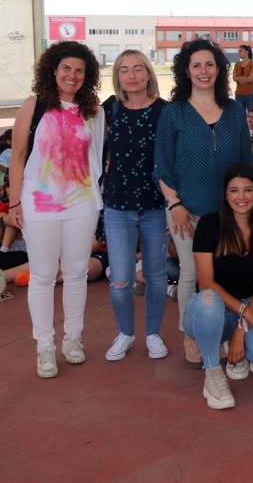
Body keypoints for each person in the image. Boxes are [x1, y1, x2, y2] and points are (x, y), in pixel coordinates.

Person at [8, 41, 105, 378]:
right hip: (39, 204)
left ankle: (72, 340)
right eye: (66, 68)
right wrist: (16, 201)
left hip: (81, 204)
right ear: (53, 70)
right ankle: (45, 347)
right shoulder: (34, 105)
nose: (72, 75)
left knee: (77, 274)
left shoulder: (93, 110)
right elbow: (17, 156)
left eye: (79, 70)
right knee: (43, 277)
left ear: (87, 75)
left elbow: (97, 159)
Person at [154, 39, 253, 368]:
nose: (203, 71)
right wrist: (174, 204)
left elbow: (244, 163)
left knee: (222, 276)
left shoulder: (235, 112)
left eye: (209, 64)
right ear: (186, 71)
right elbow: (162, 166)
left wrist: (243, 207)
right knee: (188, 275)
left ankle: (220, 333)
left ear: (219, 69)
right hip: (186, 211)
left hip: (227, 213)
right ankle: (191, 335)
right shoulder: (174, 113)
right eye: (196, 65)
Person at [186, 163, 253, 409]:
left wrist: (242, 328)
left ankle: (234, 343)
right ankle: (212, 373)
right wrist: (247, 315)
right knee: (209, 299)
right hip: (209, 309)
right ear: (225, 194)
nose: (241, 197)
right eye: (234, 190)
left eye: (248, 190)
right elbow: (206, 282)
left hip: (246, 305)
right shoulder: (209, 225)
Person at [102, 50, 170, 361]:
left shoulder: (165, 111)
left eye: (138, 69)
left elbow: (173, 158)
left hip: (156, 206)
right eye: (124, 70)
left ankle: (152, 333)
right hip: (117, 206)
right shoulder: (108, 110)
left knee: (155, 275)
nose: (132, 75)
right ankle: (126, 333)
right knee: (120, 278)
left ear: (147, 74)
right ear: (117, 77)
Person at [233, 45, 253, 111]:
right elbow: (234, 78)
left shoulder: (252, 63)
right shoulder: (237, 64)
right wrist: (246, 77)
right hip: (239, 93)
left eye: (241, 51)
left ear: (247, 52)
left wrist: (241, 81)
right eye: (238, 51)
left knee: (252, 113)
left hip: (250, 93)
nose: (239, 53)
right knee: (239, 114)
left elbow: (251, 78)